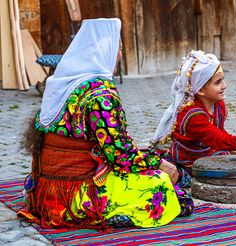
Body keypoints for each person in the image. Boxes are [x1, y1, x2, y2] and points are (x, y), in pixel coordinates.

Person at [18, 18, 193, 230]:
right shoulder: (100, 94)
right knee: (161, 185)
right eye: (118, 48)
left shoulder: (60, 84)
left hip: (45, 192)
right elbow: (120, 156)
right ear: (105, 50)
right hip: (74, 196)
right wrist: (158, 164)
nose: (120, 54)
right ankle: (105, 212)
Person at [152, 50, 236, 187]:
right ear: (200, 90)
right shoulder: (193, 116)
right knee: (181, 179)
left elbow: (220, 134)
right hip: (187, 161)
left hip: (209, 151)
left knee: (232, 159)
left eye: (223, 79)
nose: (225, 86)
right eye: (218, 82)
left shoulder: (218, 105)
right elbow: (216, 138)